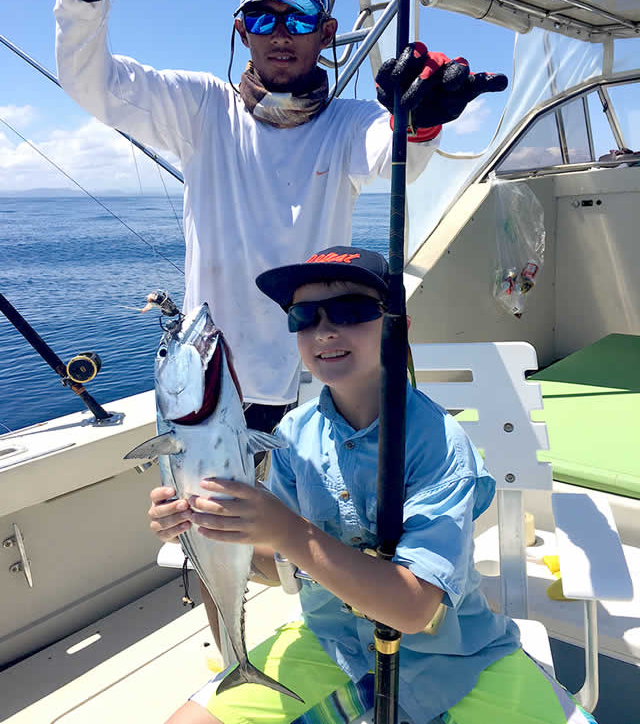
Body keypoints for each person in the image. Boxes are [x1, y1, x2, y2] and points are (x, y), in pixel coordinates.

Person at [42, 0, 507, 642]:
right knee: (212, 540)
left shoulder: (350, 123)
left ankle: (335, 652)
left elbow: (398, 154)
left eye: (296, 18)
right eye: (262, 17)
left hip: (318, 392)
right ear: (240, 29)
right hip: (210, 390)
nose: (280, 35)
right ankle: (230, 656)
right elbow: (92, 81)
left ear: (326, 31)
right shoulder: (201, 110)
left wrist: (425, 116)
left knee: (329, 548)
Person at [150, 244, 598, 724]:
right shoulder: (292, 437)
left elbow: (413, 611)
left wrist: (285, 530)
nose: (324, 330)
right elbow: (275, 568)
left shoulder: (440, 446)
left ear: (397, 327)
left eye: (350, 310)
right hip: (330, 645)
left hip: (454, 659)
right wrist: (211, 529)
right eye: (303, 316)